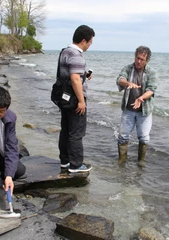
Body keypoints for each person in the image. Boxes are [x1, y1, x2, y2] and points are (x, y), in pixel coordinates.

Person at [57, 25, 95, 173]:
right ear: (84, 40)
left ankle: (65, 161)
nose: (89, 46)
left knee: (65, 130)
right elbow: (74, 80)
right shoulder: (77, 55)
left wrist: (84, 74)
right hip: (74, 100)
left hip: (64, 98)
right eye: (90, 42)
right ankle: (76, 164)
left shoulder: (65, 52)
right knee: (76, 132)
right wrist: (81, 101)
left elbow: (69, 74)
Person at [116, 46, 158, 167]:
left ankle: (141, 161)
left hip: (144, 111)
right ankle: (122, 161)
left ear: (147, 60)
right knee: (123, 136)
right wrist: (128, 83)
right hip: (128, 109)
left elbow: (151, 89)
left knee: (144, 138)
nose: (138, 61)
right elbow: (120, 79)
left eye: (142, 59)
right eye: (137, 58)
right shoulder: (128, 69)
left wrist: (141, 98)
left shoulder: (152, 72)